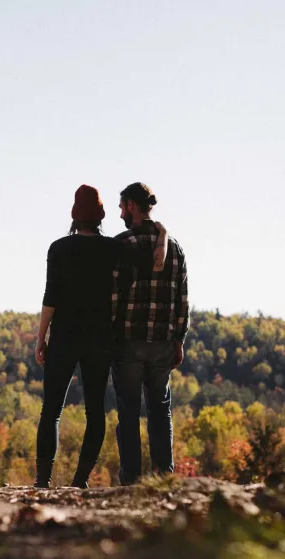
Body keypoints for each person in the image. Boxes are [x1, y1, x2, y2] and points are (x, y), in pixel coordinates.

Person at [33, 184, 168, 489]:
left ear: (74, 216)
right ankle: (79, 481)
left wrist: (41, 337)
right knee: (95, 412)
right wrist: (162, 233)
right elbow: (152, 263)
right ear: (100, 216)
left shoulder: (58, 248)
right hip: (99, 339)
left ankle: (43, 481)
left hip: (64, 337)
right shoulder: (113, 248)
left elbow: (50, 297)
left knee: (51, 410)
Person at [112, 182, 189, 485]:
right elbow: (182, 298)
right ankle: (163, 477)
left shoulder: (122, 244)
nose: (120, 212)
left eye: (121, 207)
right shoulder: (175, 248)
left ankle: (131, 478)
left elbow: (114, 296)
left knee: (128, 411)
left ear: (131, 205)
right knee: (160, 410)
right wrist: (179, 340)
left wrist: (110, 334)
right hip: (162, 343)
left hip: (129, 341)